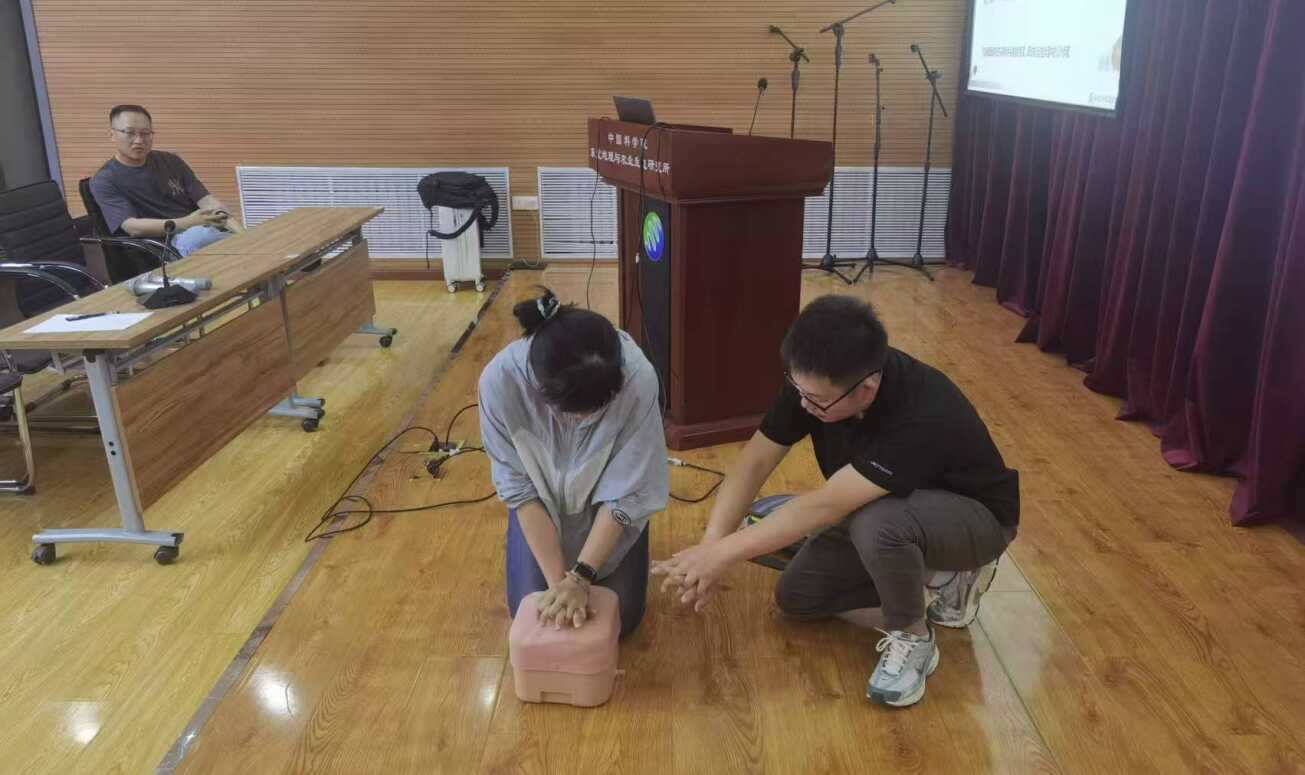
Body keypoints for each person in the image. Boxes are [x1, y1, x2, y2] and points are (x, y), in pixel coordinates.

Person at [652, 295, 1019, 707]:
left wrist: (723, 555)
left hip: (976, 518)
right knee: (798, 597)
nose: (804, 404)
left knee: (876, 524)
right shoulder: (816, 383)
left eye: (816, 400)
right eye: (798, 390)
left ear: (867, 389)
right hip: (881, 501)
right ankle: (931, 581)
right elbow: (754, 461)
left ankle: (915, 632)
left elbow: (828, 504)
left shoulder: (921, 413)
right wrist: (712, 546)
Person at [479, 288, 668, 638]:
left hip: (607, 503)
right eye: (576, 412)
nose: (584, 421)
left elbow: (629, 490)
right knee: (530, 608)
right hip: (539, 501)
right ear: (542, 391)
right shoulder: (500, 383)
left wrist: (580, 577)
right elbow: (519, 488)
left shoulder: (638, 378)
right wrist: (558, 587)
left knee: (624, 617)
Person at [89, 104, 244, 257]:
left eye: (145, 133)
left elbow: (207, 201)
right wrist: (189, 222)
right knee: (198, 239)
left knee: (241, 240)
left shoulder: (171, 161)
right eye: (130, 133)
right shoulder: (104, 179)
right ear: (112, 135)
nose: (139, 140)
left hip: (203, 229)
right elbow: (132, 227)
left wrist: (242, 233)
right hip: (166, 245)